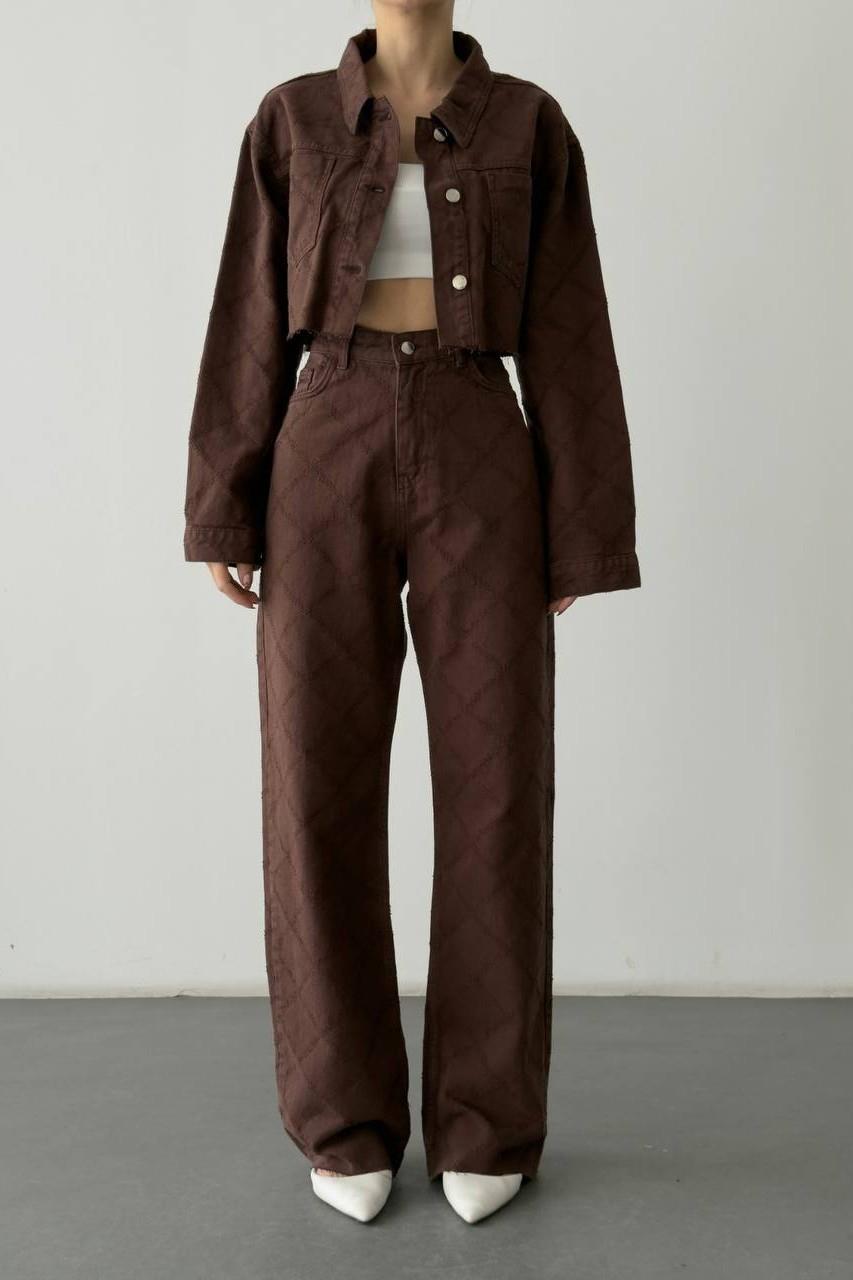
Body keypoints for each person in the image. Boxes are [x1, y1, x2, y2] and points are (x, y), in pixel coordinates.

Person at [182, 0, 640, 1226]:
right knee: (314, 782)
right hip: (322, 436)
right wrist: (223, 504)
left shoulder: (529, 125)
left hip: (480, 434)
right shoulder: (292, 121)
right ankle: (343, 1116)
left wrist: (581, 525)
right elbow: (246, 314)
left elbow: (570, 328)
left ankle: (487, 1119)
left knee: (497, 786)